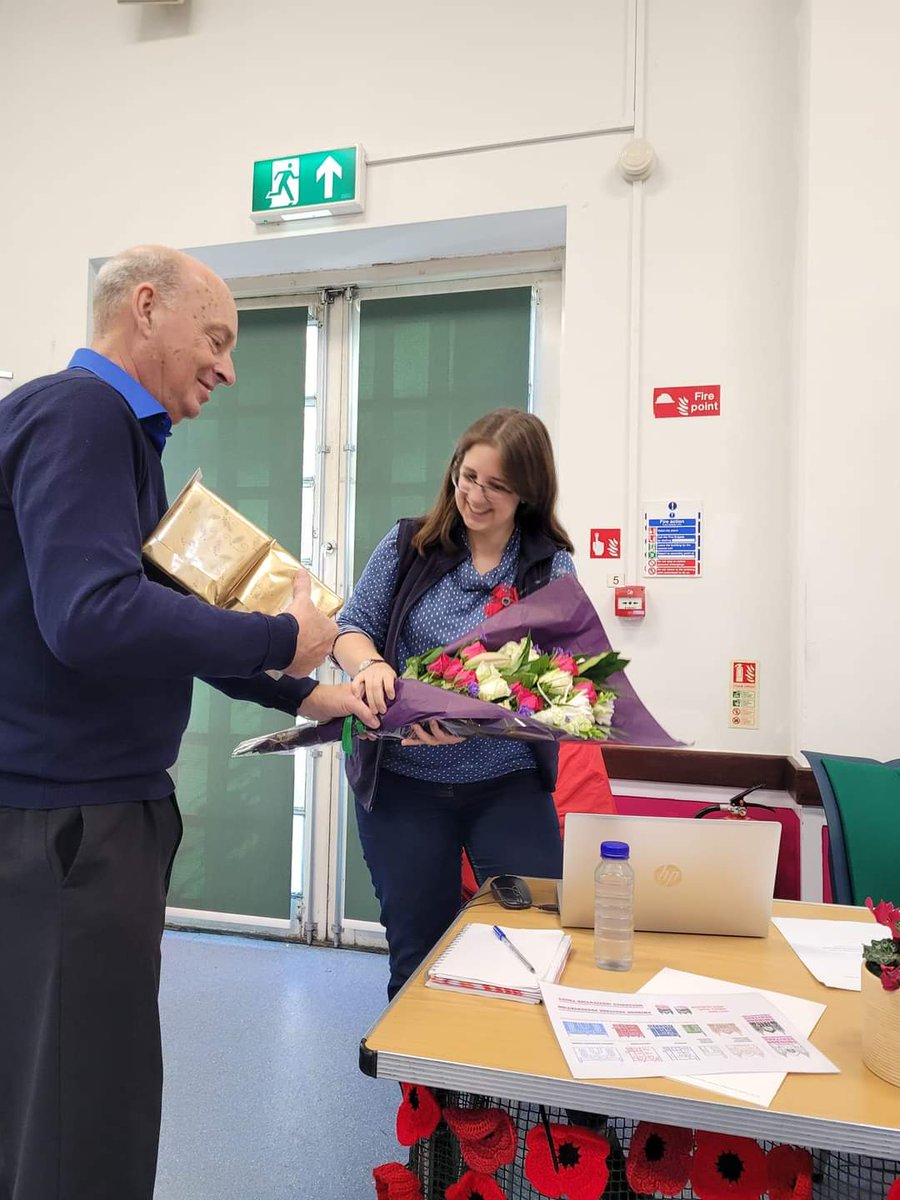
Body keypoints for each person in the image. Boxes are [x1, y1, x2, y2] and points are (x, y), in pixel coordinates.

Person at [0, 245, 377, 1200]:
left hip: (65, 820)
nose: (228, 366)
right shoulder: (83, 415)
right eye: (215, 339)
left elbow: (154, 615)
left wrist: (304, 687)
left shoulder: (97, 434)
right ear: (146, 308)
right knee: (81, 1114)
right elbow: (92, 616)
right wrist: (280, 633)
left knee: (54, 1092)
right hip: (72, 831)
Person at [332, 408, 576, 998]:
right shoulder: (408, 545)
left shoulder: (549, 568)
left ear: (528, 494)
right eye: (469, 476)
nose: (476, 495)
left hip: (505, 784)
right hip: (403, 785)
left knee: (533, 946)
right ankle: (426, 1093)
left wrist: (482, 720)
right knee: (417, 953)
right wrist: (369, 666)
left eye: (498, 485)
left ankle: (508, 1087)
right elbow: (349, 629)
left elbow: (560, 685)